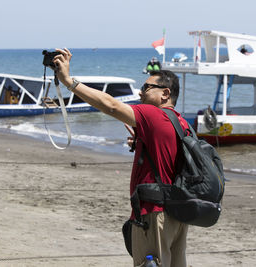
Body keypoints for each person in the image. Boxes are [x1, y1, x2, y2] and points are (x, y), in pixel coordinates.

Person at [53, 48, 189, 267]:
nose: (140, 93)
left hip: (153, 213)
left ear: (165, 93)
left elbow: (111, 105)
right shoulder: (181, 123)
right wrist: (143, 143)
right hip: (178, 215)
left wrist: (69, 81)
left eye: (146, 87)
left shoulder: (153, 114)